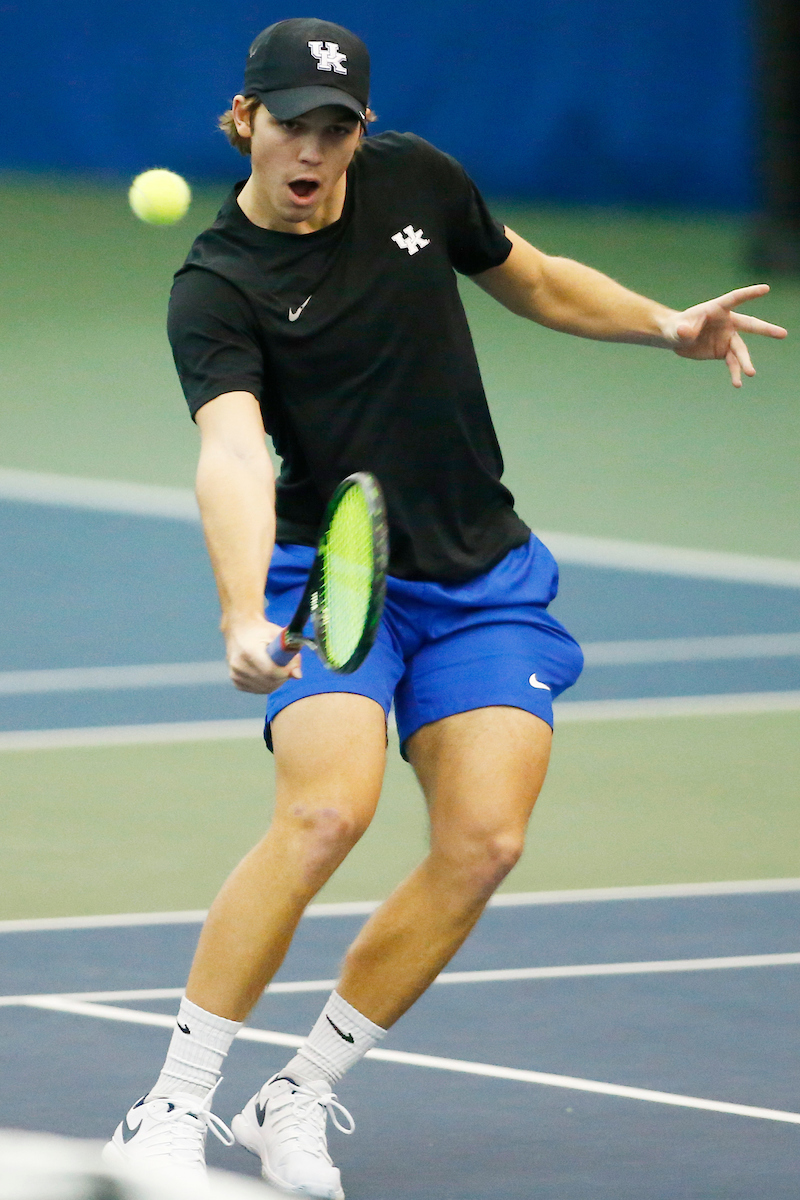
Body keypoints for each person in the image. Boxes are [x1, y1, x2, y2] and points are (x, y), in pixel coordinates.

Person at [103, 16, 787, 1198]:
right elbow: (229, 452)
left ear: (359, 131)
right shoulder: (216, 287)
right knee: (326, 816)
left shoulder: (416, 177)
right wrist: (235, 613)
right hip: (331, 582)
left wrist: (663, 325)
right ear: (243, 123)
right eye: (289, 125)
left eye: (334, 127)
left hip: (479, 576)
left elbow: (529, 275)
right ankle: (167, 1106)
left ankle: (297, 1095)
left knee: (483, 843)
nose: (311, 150)